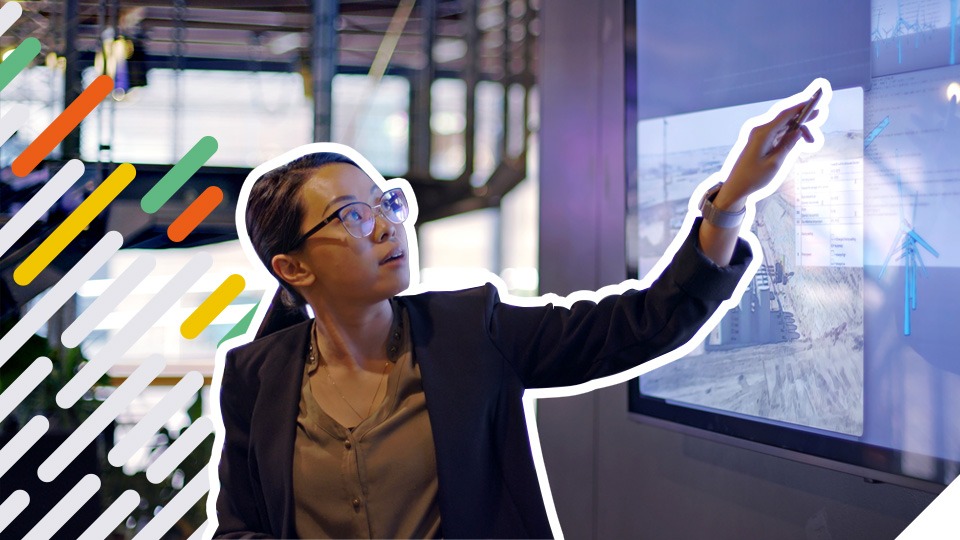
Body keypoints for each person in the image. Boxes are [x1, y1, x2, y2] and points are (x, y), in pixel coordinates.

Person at [211, 98, 818, 539]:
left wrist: (732, 201)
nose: (388, 224)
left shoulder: (470, 331)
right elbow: (238, 529)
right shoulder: (255, 376)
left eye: (386, 202)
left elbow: (644, 323)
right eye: (350, 215)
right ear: (293, 269)